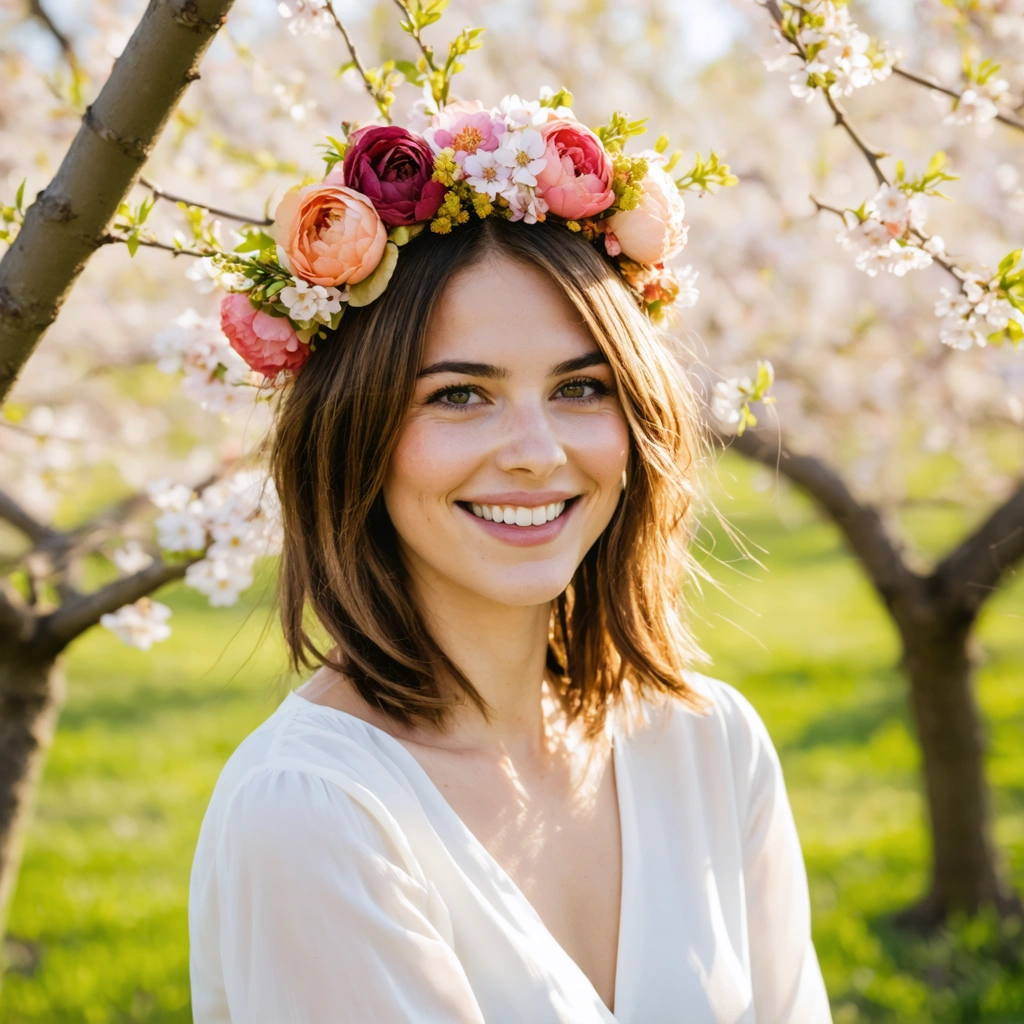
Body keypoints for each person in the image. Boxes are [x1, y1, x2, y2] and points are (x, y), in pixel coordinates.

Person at [187, 213, 832, 1022]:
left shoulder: (710, 745)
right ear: (353, 433)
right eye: (459, 395)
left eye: (580, 388)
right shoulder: (315, 811)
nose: (536, 451)